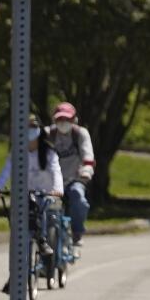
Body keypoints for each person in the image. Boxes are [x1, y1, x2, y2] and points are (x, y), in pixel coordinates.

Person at [0, 116, 65, 292]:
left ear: (39, 131)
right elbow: (6, 172)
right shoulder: (17, 152)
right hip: (23, 195)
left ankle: (42, 240)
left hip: (43, 194)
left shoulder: (48, 152)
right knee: (19, 239)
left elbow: (56, 172)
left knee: (41, 212)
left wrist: (57, 189)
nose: (29, 132)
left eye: (32, 127)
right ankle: (16, 275)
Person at [49, 101, 96, 248]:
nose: (63, 123)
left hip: (74, 178)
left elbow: (88, 155)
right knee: (42, 205)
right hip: (51, 182)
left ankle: (77, 231)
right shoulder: (47, 134)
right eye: (60, 119)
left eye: (67, 119)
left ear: (74, 120)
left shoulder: (80, 134)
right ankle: (43, 234)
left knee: (78, 198)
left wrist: (86, 171)